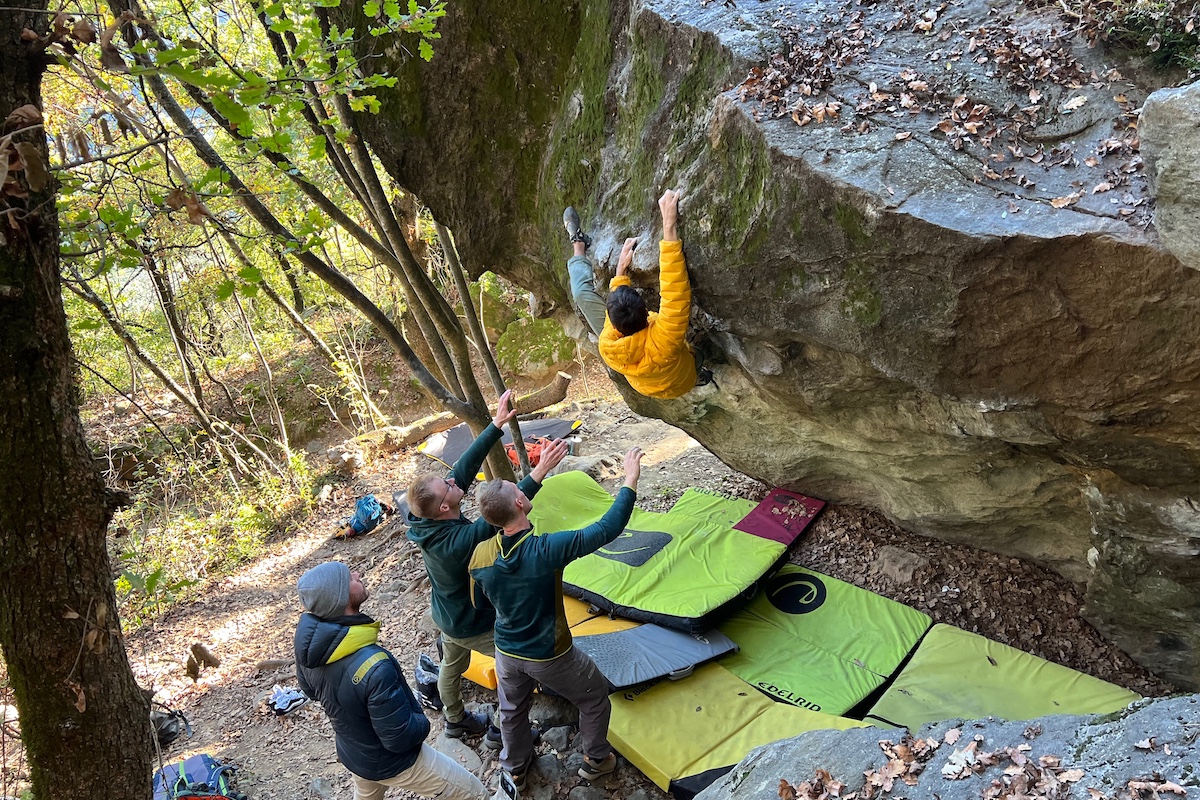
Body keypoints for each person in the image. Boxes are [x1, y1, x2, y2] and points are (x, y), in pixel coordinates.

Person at [468, 447, 645, 790]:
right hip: (550, 655)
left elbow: (479, 603)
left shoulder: (480, 554)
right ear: (519, 503)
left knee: (512, 710)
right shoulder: (545, 550)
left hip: (505, 651)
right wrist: (630, 480)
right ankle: (596, 760)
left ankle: (515, 768)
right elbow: (607, 528)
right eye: (519, 489)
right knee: (594, 695)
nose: (523, 489)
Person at [406, 389, 568, 746]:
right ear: (446, 509)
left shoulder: (423, 516)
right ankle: (502, 730)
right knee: (515, 662)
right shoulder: (453, 545)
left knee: (452, 663)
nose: (453, 482)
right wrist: (539, 471)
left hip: (445, 614)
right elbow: (501, 515)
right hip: (470, 619)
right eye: (448, 487)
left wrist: (495, 425)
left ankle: (454, 719)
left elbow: (462, 470)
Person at [294, 562, 486, 800]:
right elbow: (400, 738)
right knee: (476, 794)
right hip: (396, 763)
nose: (357, 573)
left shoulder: (310, 649)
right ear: (340, 599)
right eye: (349, 578)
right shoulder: (374, 666)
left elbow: (311, 691)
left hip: (355, 754)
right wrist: (422, 721)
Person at [565, 190, 702, 400]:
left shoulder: (608, 346)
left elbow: (612, 319)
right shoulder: (663, 340)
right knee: (698, 355)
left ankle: (578, 245)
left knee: (581, 293)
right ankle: (701, 369)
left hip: (647, 386)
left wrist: (620, 273)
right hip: (684, 379)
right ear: (648, 313)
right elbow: (675, 292)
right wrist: (668, 225)